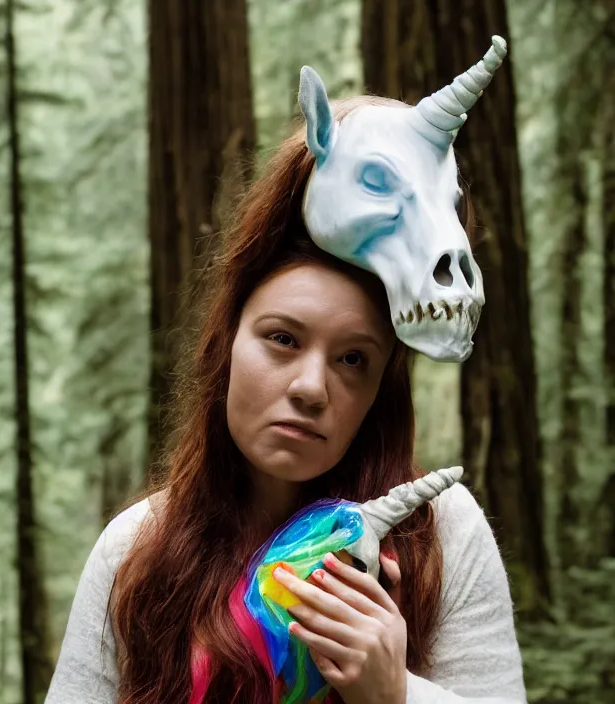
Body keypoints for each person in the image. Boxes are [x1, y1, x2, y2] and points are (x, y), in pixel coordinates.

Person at [46, 66, 527, 704]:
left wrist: (396, 693)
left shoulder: (440, 532)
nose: (310, 387)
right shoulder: (136, 549)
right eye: (282, 339)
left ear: (382, 386)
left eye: (354, 360)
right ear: (226, 344)